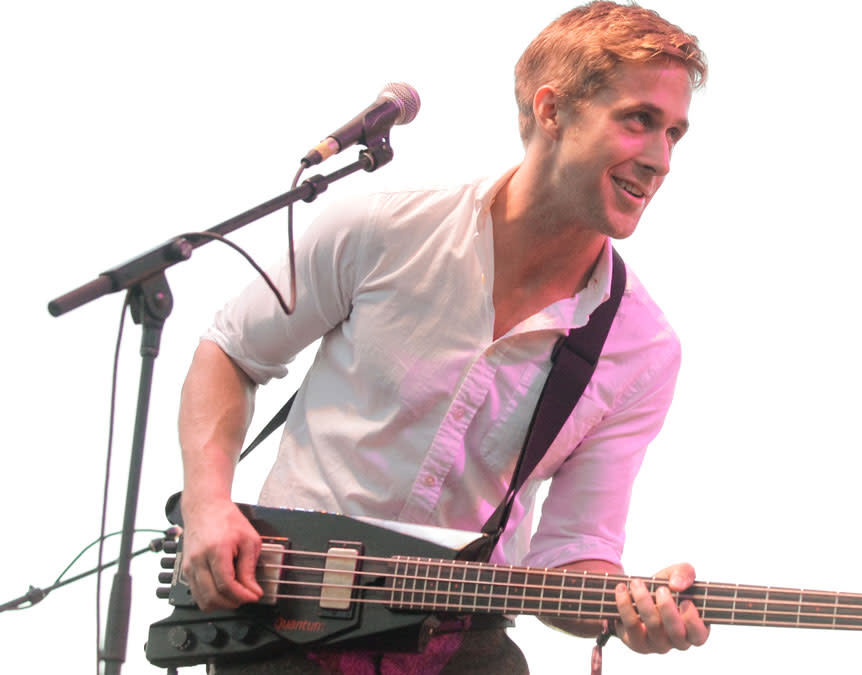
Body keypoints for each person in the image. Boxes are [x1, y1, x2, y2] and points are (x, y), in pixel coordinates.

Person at [177, 2, 708, 672]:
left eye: (674, 135)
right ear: (551, 111)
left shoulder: (643, 349)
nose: (659, 158)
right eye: (639, 121)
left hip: (458, 642)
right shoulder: (382, 226)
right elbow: (229, 350)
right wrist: (207, 504)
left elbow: (572, 556)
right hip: (281, 622)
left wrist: (632, 612)